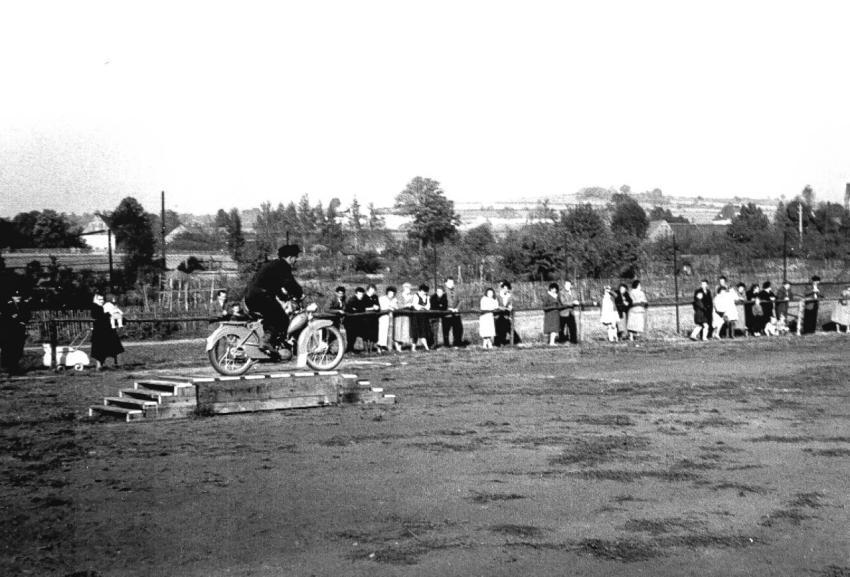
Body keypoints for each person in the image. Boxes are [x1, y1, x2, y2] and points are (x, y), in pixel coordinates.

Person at [245, 244, 303, 353]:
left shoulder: (273, 265)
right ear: (290, 258)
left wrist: (285, 297)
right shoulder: (283, 266)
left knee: (272, 318)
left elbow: (275, 286)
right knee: (282, 319)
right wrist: (299, 294)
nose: (296, 260)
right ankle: (266, 342)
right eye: (295, 257)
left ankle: (271, 346)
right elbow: (290, 284)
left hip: (252, 296)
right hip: (260, 297)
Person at [90, 292, 124, 371]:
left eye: (102, 299)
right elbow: (99, 316)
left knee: (115, 348)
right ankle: (99, 366)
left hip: (108, 331)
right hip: (99, 332)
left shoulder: (104, 306)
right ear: (95, 299)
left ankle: (117, 364)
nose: (101, 301)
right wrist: (109, 314)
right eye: (99, 299)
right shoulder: (95, 307)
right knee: (99, 350)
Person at [0, 289, 31, 375]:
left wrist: (23, 321)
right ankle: (7, 367)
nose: (18, 298)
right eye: (16, 296)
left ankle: (14, 366)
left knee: (18, 349)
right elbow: (4, 317)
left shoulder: (24, 305)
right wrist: (15, 319)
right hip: (8, 331)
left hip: (20, 331)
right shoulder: (6, 305)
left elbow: (28, 315)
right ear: (12, 297)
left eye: (19, 296)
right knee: (8, 349)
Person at [344, 287, 369, 353]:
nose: (361, 296)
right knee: (350, 336)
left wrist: (357, 310)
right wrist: (356, 310)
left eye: (362, 294)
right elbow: (350, 309)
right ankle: (349, 349)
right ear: (356, 294)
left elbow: (362, 309)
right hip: (349, 321)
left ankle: (351, 349)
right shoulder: (352, 300)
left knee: (354, 336)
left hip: (356, 321)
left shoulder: (362, 300)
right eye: (359, 294)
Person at [495, 280, 519, 346]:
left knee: (506, 329)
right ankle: (499, 343)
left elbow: (510, 305)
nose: (506, 290)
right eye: (505, 288)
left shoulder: (509, 296)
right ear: (502, 288)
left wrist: (510, 308)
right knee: (499, 330)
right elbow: (495, 305)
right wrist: (501, 308)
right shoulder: (497, 295)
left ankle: (505, 342)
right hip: (498, 315)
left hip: (506, 315)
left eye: (507, 288)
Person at [443, 277, 464, 347]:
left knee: (458, 329)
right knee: (446, 330)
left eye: (452, 282)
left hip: (456, 313)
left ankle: (457, 343)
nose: (452, 284)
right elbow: (441, 302)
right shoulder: (443, 290)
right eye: (450, 282)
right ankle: (446, 344)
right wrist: (448, 309)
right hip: (447, 314)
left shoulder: (456, 290)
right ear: (446, 283)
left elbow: (460, 300)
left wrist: (457, 308)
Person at [410, 284, 431, 351]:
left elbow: (428, 306)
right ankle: (413, 348)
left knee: (423, 331)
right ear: (421, 290)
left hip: (423, 316)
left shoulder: (427, 297)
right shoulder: (416, 296)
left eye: (425, 292)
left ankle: (426, 347)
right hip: (416, 316)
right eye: (423, 292)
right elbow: (415, 305)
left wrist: (423, 307)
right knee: (415, 332)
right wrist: (422, 307)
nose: (424, 293)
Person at [394, 283, 414, 351]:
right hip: (399, 315)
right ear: (404, 288)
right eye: (407, 288)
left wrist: (410, 305)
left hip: (406, 316)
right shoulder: (399, 295)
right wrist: (406, 305)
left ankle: (401, 345)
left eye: (409, 288)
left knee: (405, 331)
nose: (409, 289)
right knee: (398, 330)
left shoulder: (411, 296)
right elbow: (398, 306)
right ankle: (397, 345)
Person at [377, 286, 398, 352]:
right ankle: (379, 346)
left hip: (391, 317)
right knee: (382, 331)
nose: (391, 295)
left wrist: (392, 307)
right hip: (383, 317)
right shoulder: (382, 298)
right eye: (390, 293)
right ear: (387, 293)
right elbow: (382, 307)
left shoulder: (394, 299)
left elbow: (396, 307)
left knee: (389, 332)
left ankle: (385, 346)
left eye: (393, 293)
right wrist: (390, 308)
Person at [558, 280, 579, 344]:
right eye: (567, 285)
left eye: (569, 285)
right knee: (562, 328)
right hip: (563, 313)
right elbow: (563, 302)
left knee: (573, 327)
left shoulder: (573, 292)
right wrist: (573, 302)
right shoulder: (561, 292)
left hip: (571, 312)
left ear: (571, 285)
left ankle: (573, 340)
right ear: (564, 285)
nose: (568, 286)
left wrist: (576, 304)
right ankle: (562, 340)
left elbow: (576, 299)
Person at [364, 284, 381, 350]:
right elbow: (363, 308)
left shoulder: (375, 297)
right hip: (366, 318)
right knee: (365, 334)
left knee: (373, 333)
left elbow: (378, 306)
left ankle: (371, 349)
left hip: (374, 318)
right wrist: (372, 308)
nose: (372, 291)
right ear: (368, 290)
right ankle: (365, 349)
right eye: (371, 290)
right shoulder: (364, 297)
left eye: (373, 290)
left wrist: (377, 307)